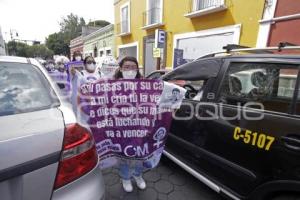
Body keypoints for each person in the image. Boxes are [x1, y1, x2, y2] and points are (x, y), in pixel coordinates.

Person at [114, 56, 145, 193]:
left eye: (133, 67)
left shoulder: (144, 84)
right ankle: (125, 178)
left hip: (140, 126)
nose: (130, 70)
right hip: (120, 127)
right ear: (120, 69)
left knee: (141, 153)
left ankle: (138, 175)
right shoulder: (111, 85)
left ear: (137, 69)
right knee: (124, 155)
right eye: (127, 67)